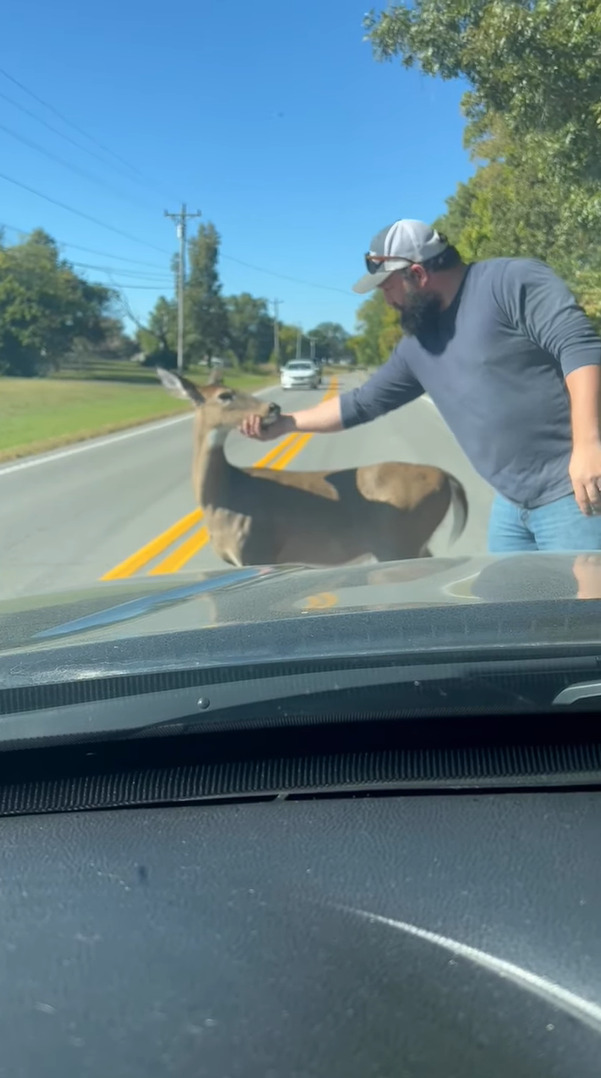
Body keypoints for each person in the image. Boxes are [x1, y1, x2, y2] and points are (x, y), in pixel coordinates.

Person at [240, 219, 601, 552]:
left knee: (585, 617)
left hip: (577, 493)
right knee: (512, 618)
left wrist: (588, 446)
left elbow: (580, 347)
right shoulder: (418, 346)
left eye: (388, 287)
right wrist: (288, 424)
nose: (387, 300)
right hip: (512, 506)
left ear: (417, 273)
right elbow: (362, 403)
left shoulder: (508, 281)